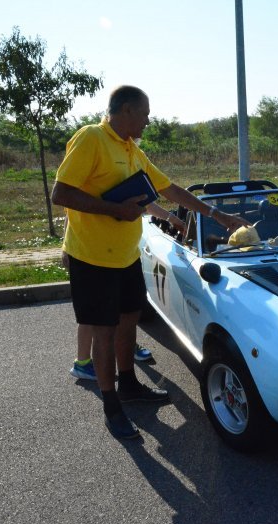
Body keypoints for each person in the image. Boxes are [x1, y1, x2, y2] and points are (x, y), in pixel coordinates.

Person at [51, 85, 246, 439]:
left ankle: (129, 384)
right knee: (104, 332)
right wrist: (116, 209)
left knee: (129, 321)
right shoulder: (92, 138)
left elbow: (169, 189)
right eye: (144, 113)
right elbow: (60, 193)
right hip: (92, 258)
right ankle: (112, 406)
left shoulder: (130, 149)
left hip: (125, 256)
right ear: (125, 111)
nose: (148, 120)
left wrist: (217, 215)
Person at [65, 204, 185, 380]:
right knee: (93, 312)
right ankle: (82, 363)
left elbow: (144, 203)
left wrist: (171, 219)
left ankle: (125, 346)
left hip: (118, 254)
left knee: (123, 308)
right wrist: (65, 248)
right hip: (92, 254)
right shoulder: (88, 180)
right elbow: (72, 212)